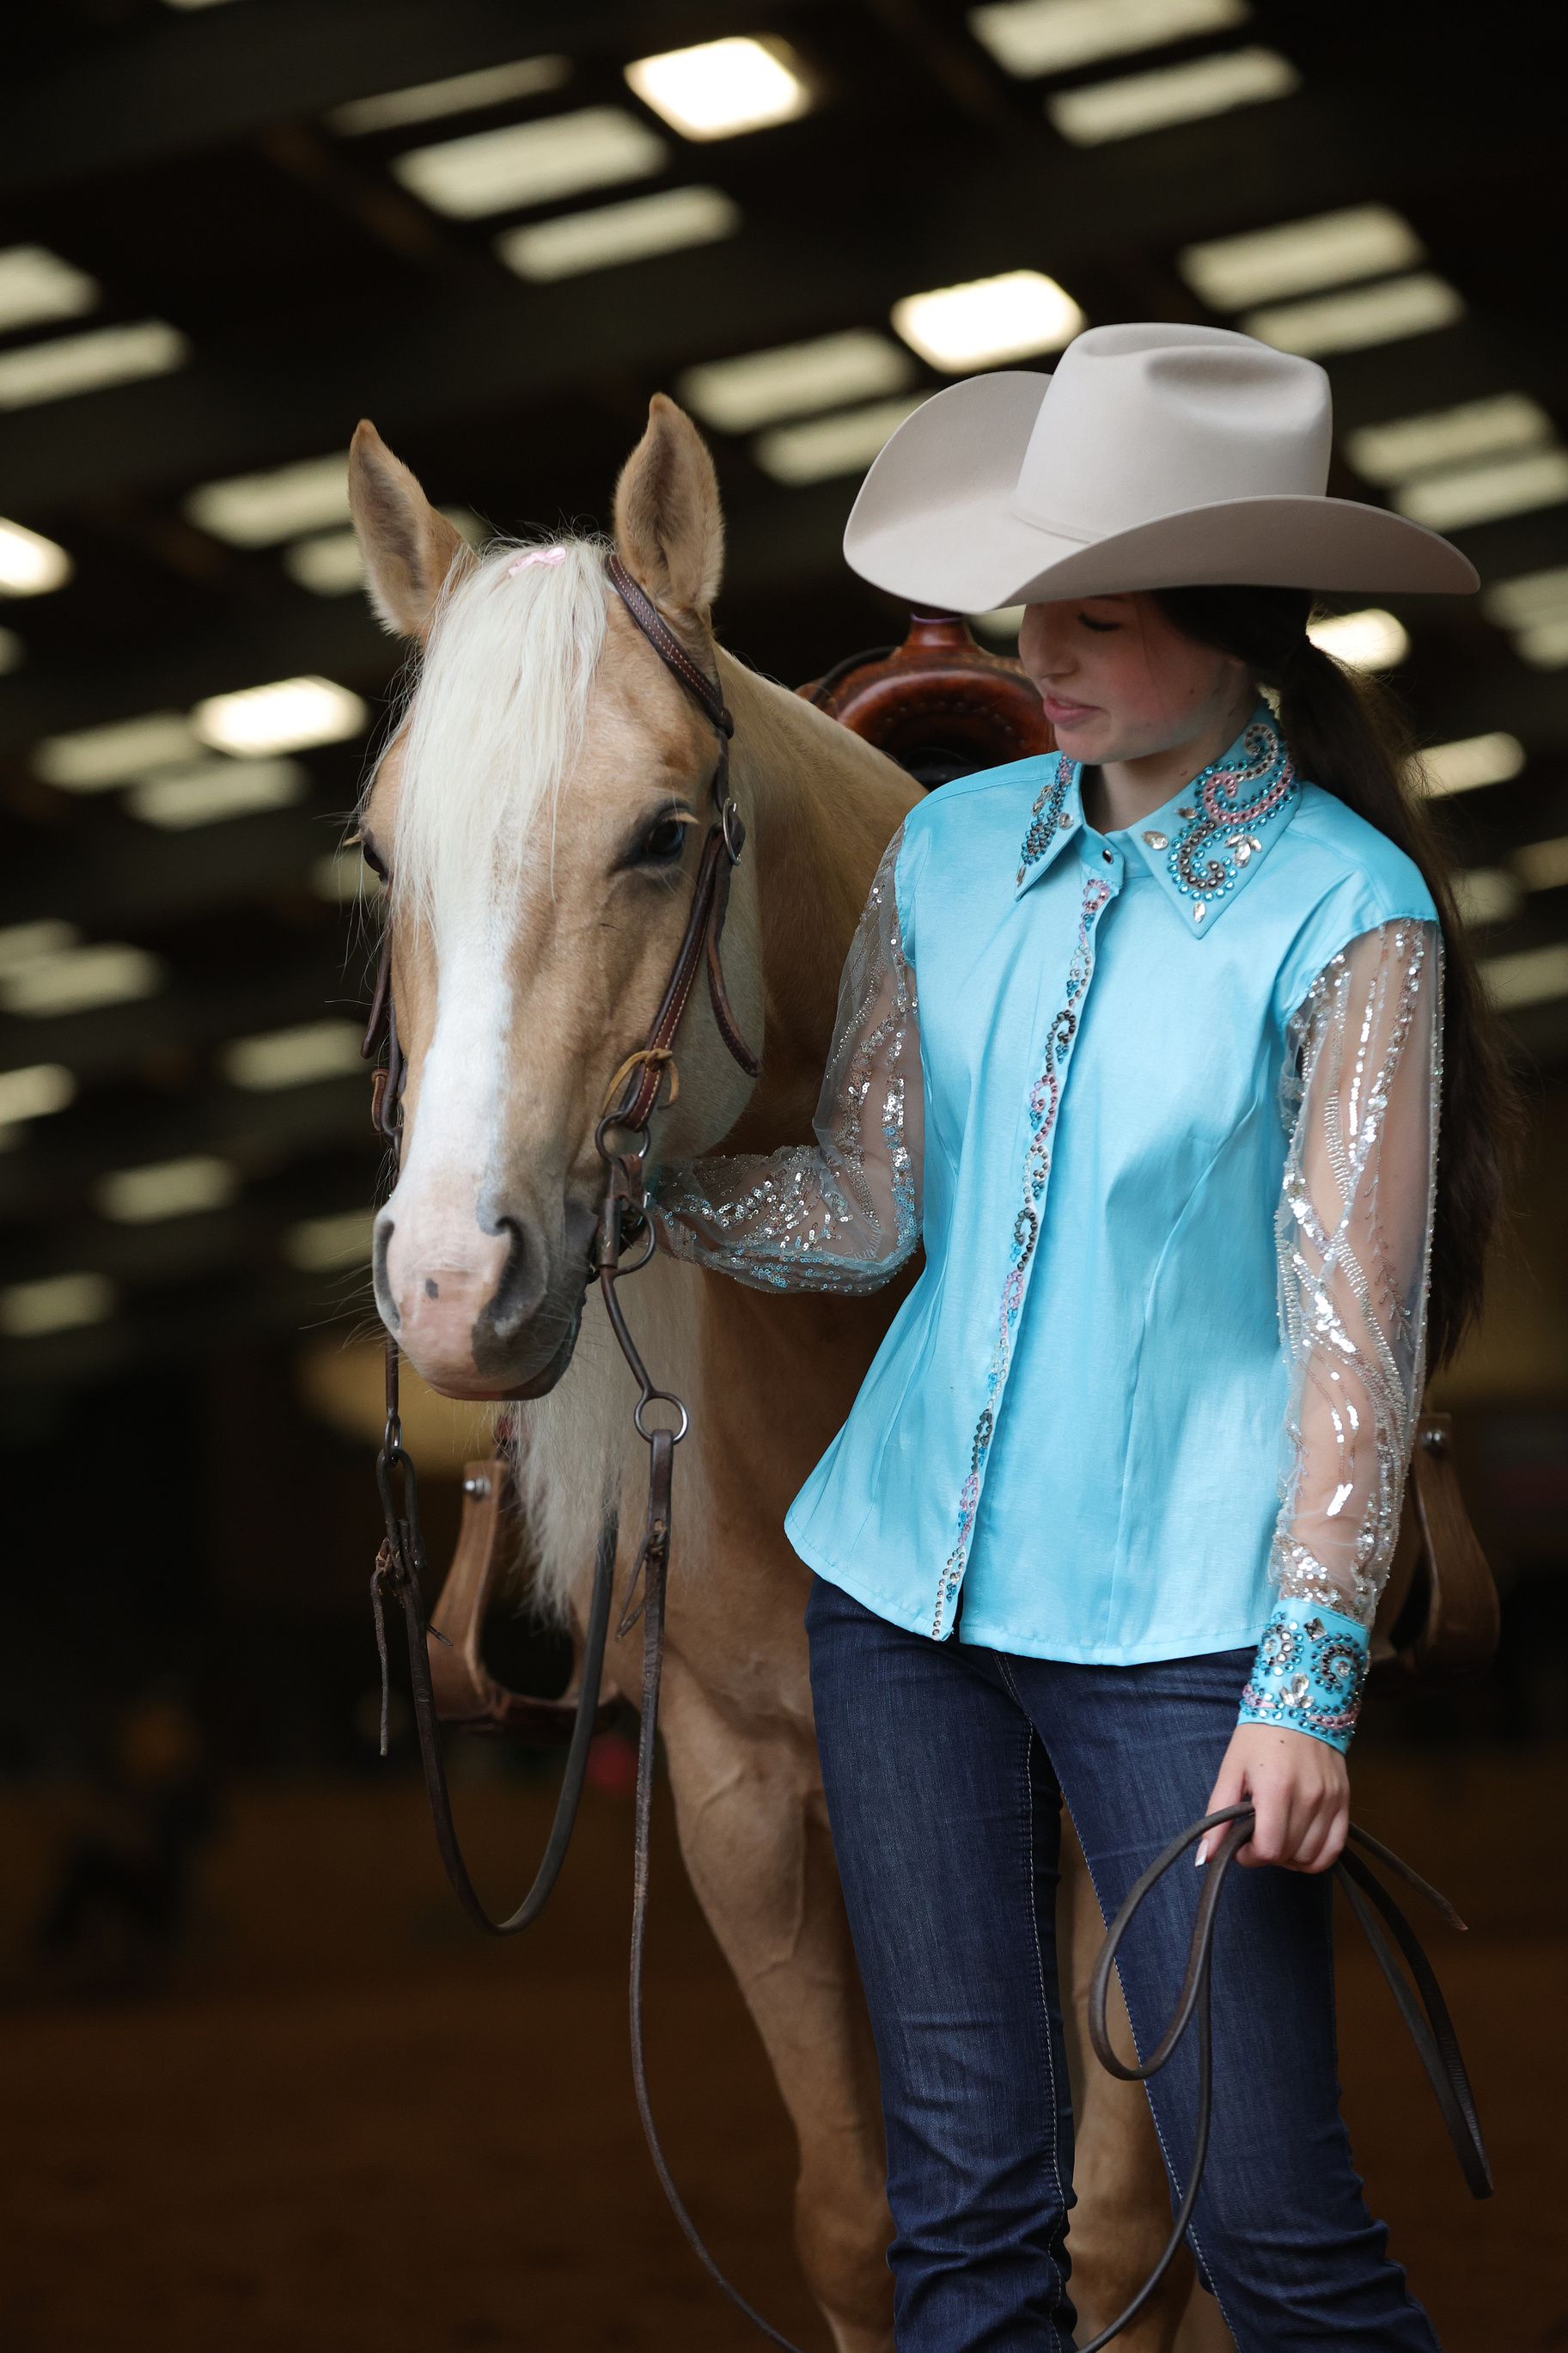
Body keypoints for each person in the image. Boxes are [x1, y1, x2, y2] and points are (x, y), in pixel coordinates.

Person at [650, 324, 1511, 2350]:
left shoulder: (1348, 909)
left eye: (1098, 618)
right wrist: (647, 1199)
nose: (1040, 650)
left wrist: (1304, 1686)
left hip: (1186, 1649)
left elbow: (1351, 1343)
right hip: (894, 1606)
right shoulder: (952, 854)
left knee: (1273, 2222)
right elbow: (870, 1201)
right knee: (962, 2219)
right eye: (1038, 601)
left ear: (1234, 637)